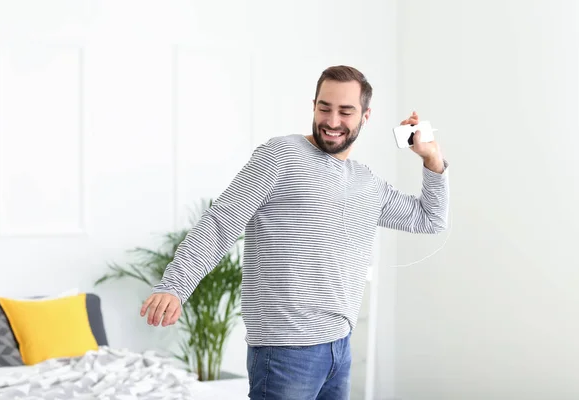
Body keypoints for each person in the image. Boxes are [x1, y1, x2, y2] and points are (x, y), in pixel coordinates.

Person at [140, 65, 449, 399]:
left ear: (365, 116)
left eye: (346, 111)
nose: (332, 121)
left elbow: (429, 218)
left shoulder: (367, 183)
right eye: (324, 108)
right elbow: (222, 221)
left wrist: (431, 157)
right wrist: (175, 285)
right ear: (313, 105)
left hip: (339, 348)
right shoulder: (281, 155)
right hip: (284, 350)